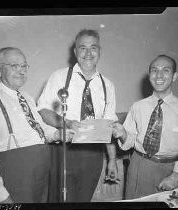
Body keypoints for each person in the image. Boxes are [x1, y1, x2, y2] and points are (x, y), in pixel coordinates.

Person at [0, 47, 72, 203]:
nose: (21, 71)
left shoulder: (27, 98)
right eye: (14, 66)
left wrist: (57, 134)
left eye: (24, 66)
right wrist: (1, 197)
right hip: (14, 183)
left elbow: (40, 129)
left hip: (39, 177)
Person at [37, 29, 123, 202]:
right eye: (83, 48)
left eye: (94, 47)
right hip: (64, 151)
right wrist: (67, 123)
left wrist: (112, 160)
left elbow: (109, 124)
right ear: (75, 51)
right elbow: (43, 111)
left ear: (100, 51)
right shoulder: (59, 77)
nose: (88, 53)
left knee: (84, 200)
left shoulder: (108, 85)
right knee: (59, 200)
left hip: (93, 154)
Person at [112, 54, 178, 199]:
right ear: (149, 75)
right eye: (154, 70)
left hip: (171, 169)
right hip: (139, 166)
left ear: (174, 76)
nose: (159, 75)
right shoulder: (138, 106)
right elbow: (129, 142)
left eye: (166, 70)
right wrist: (123, 133)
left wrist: (175, 176)